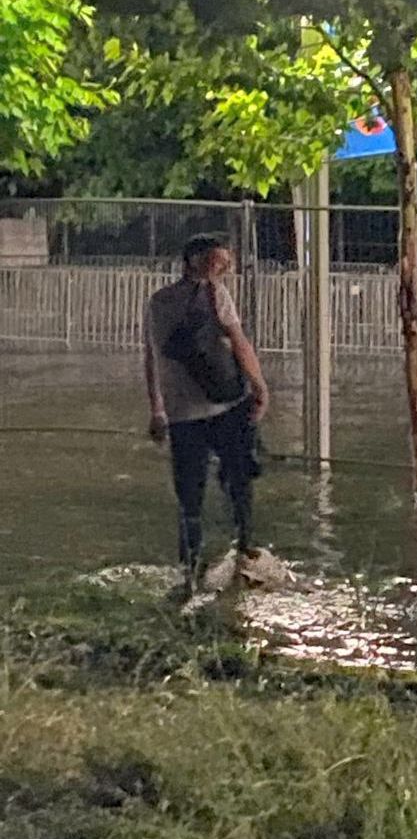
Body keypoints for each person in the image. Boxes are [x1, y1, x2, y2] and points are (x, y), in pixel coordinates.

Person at [144, 233, 269, 592]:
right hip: (226, 406)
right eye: (218, 262)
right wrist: (260, 387)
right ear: (194, 261)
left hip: (181, 414)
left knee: (190, 496)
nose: (223, 269)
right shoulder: (216, 294)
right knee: (239, 481)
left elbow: (151, 358)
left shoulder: (157, 302)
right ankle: (245, 546)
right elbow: (240, 343)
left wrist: (157, 409)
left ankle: (190, 568)